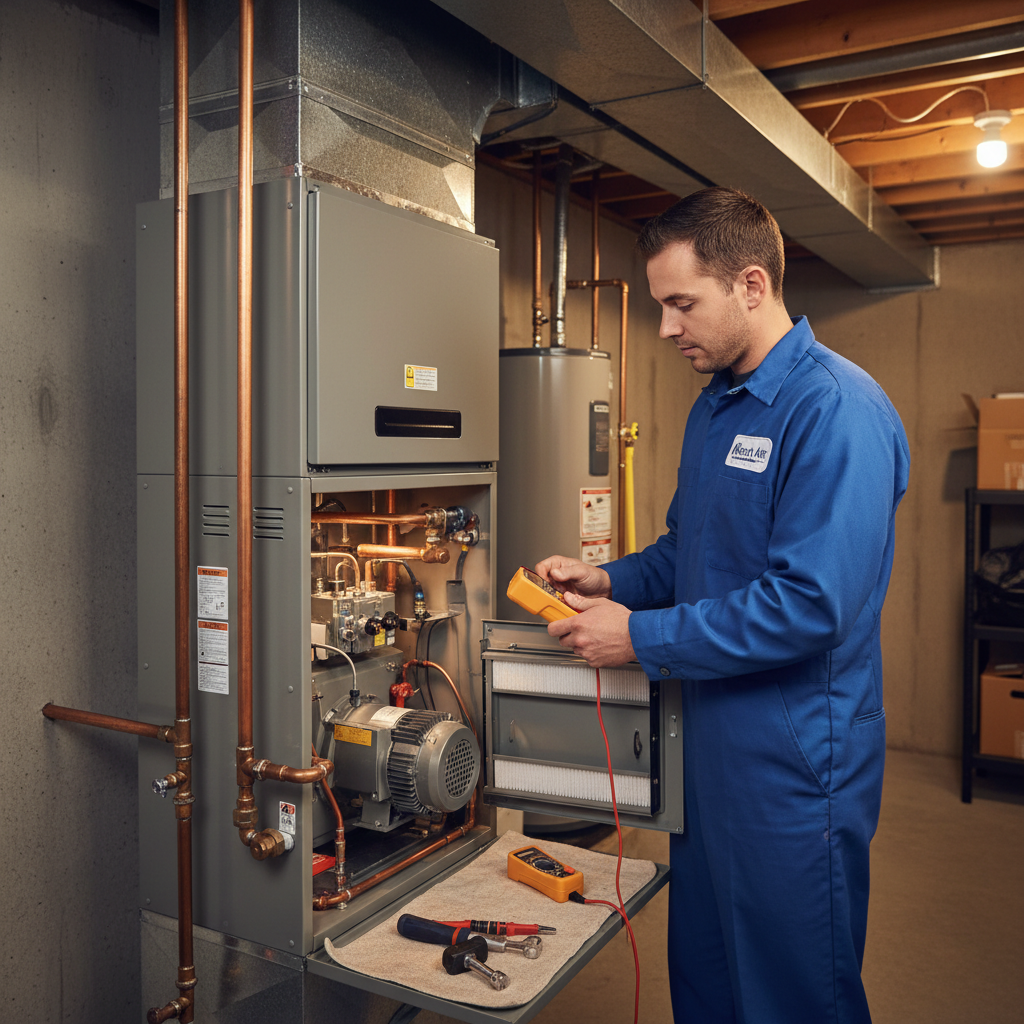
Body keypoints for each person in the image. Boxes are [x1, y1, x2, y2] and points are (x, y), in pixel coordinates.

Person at [535, 187, 909, 1024]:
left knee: (791, 989)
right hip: (705, 750)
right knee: (705, 977)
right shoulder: (719, 406)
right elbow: (690, 549)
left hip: (794, 765)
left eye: (680, 304)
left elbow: (812, 604)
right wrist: (613, 583)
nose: (666, 328)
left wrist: (640, 638)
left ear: (750, 285)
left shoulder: (835, 411)